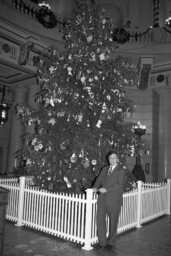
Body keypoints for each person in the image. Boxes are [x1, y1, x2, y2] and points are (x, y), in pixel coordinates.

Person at [92, 151, 125, 250]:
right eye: (110, 158)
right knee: (100, 220)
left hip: (114, 200)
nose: (112, 160)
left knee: (113, 222)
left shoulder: (121, 170)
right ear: (108, 159)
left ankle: (111, 243)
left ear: (117, 159)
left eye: (114, 158)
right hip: (102, 199)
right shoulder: (105, 168)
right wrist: (95, 187)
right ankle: (102, 242)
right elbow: (99, 179)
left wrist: (106, 189)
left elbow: (119, 185)